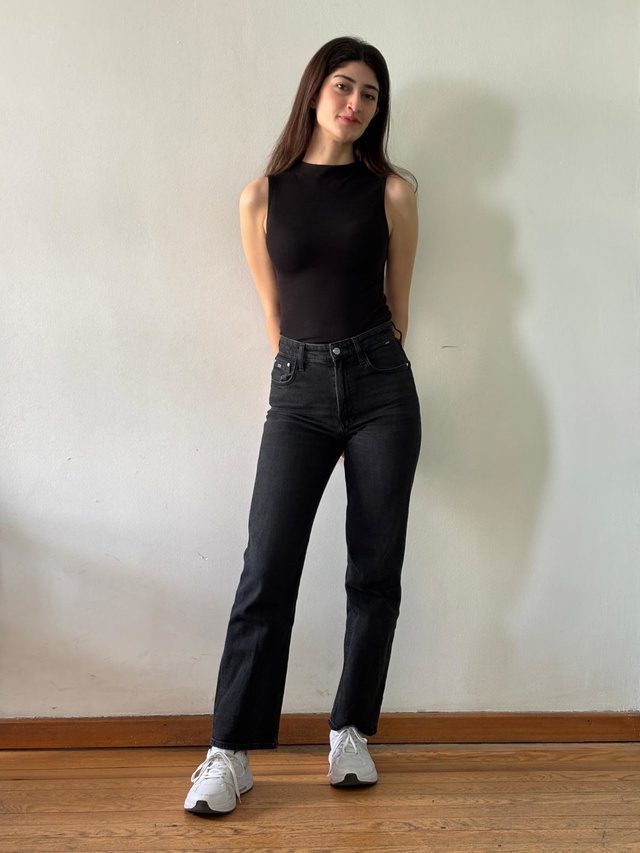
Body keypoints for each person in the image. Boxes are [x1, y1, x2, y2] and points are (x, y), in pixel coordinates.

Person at [184, 35, 421, 815]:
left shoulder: (392, 192)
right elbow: (274, 313)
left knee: (374, 567)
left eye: (370, 94)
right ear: (315, 91)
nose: (356, 104)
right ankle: (229, 751)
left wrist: (366, 366)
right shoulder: (261, 197)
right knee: (267, 567)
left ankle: (349, 729)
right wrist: (307, 372)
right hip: (299, 389)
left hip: (382, 386)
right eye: (344, 86)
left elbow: (400, 308)